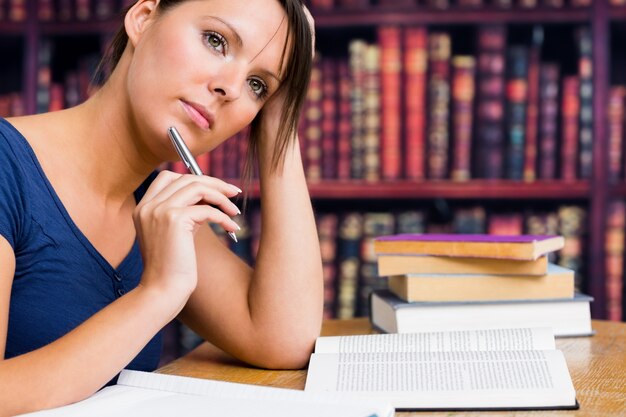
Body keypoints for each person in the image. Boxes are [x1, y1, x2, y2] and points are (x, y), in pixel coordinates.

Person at [0, 0, 322, 414]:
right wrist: (157, 293)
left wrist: (281, 112)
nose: (231, 88)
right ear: (143, 19)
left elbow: (284, 338)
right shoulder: (9, 167)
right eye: (216, 41)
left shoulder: (157, 202)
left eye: (257, 85)